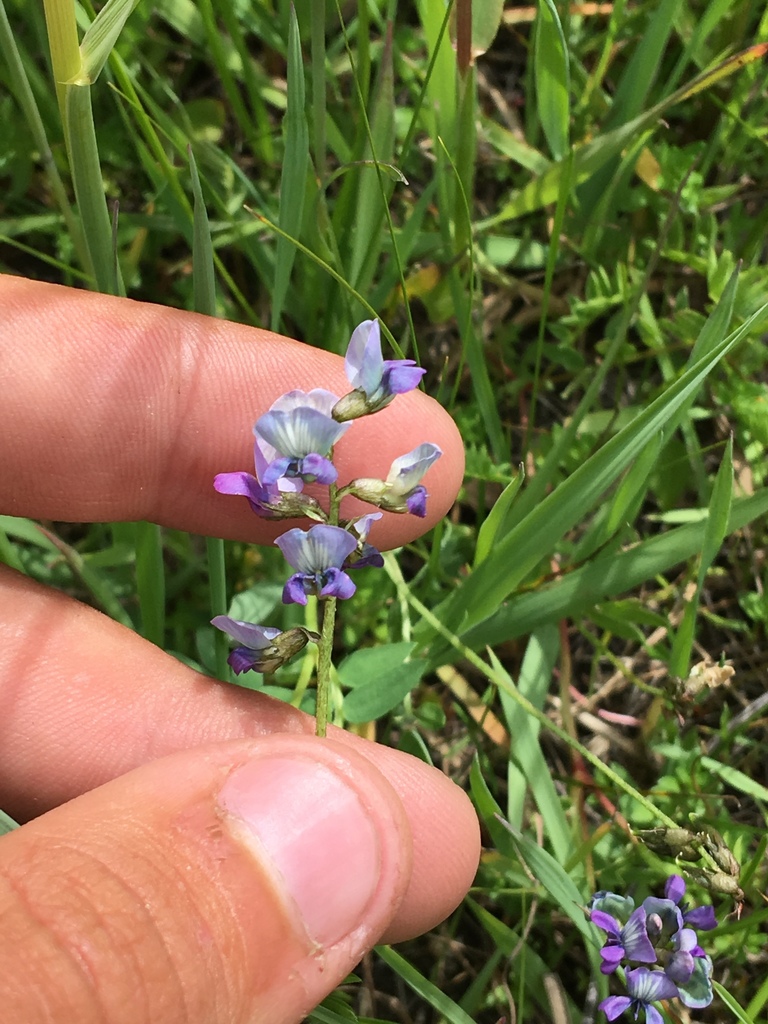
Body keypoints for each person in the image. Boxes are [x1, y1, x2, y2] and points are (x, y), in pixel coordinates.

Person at [0, 275, 480, 1023]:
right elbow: (292, 510)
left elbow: (318, 514)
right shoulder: (311, 502)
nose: (306, 476)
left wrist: (351, 512)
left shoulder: (327, 494)